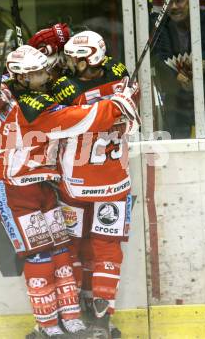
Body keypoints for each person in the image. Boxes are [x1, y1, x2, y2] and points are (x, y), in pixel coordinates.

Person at [0, 45, 138, 338]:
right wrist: (117, 104)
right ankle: (47, 325)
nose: (46, 75)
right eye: (37, 73)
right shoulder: (28, 108)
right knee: (39, 257)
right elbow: (79, 119)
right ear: (21, 77)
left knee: (61, 251)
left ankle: (71, 318)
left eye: (43, 68)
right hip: (12, 190)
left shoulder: (16, 91)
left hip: (42, 187)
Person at [49, 30, 140, 338]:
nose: (69, 62)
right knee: (107, 249)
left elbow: (53, 120)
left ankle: (73, 315)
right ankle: (101, 320)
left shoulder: (66, 90)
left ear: (88, 60)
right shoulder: (121, 78)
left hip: (75, 184)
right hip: (115, 182)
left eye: (75, 58)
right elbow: (128, 108)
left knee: (72, 246)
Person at [152, 0, 205, 138]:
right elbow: (160, 56)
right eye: (169, 2)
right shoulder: (160, 26)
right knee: (176, 157)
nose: (174, 7)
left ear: (192, 1)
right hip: (176, 104)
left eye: (179, 1)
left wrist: (200, 65)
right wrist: (175, 75)